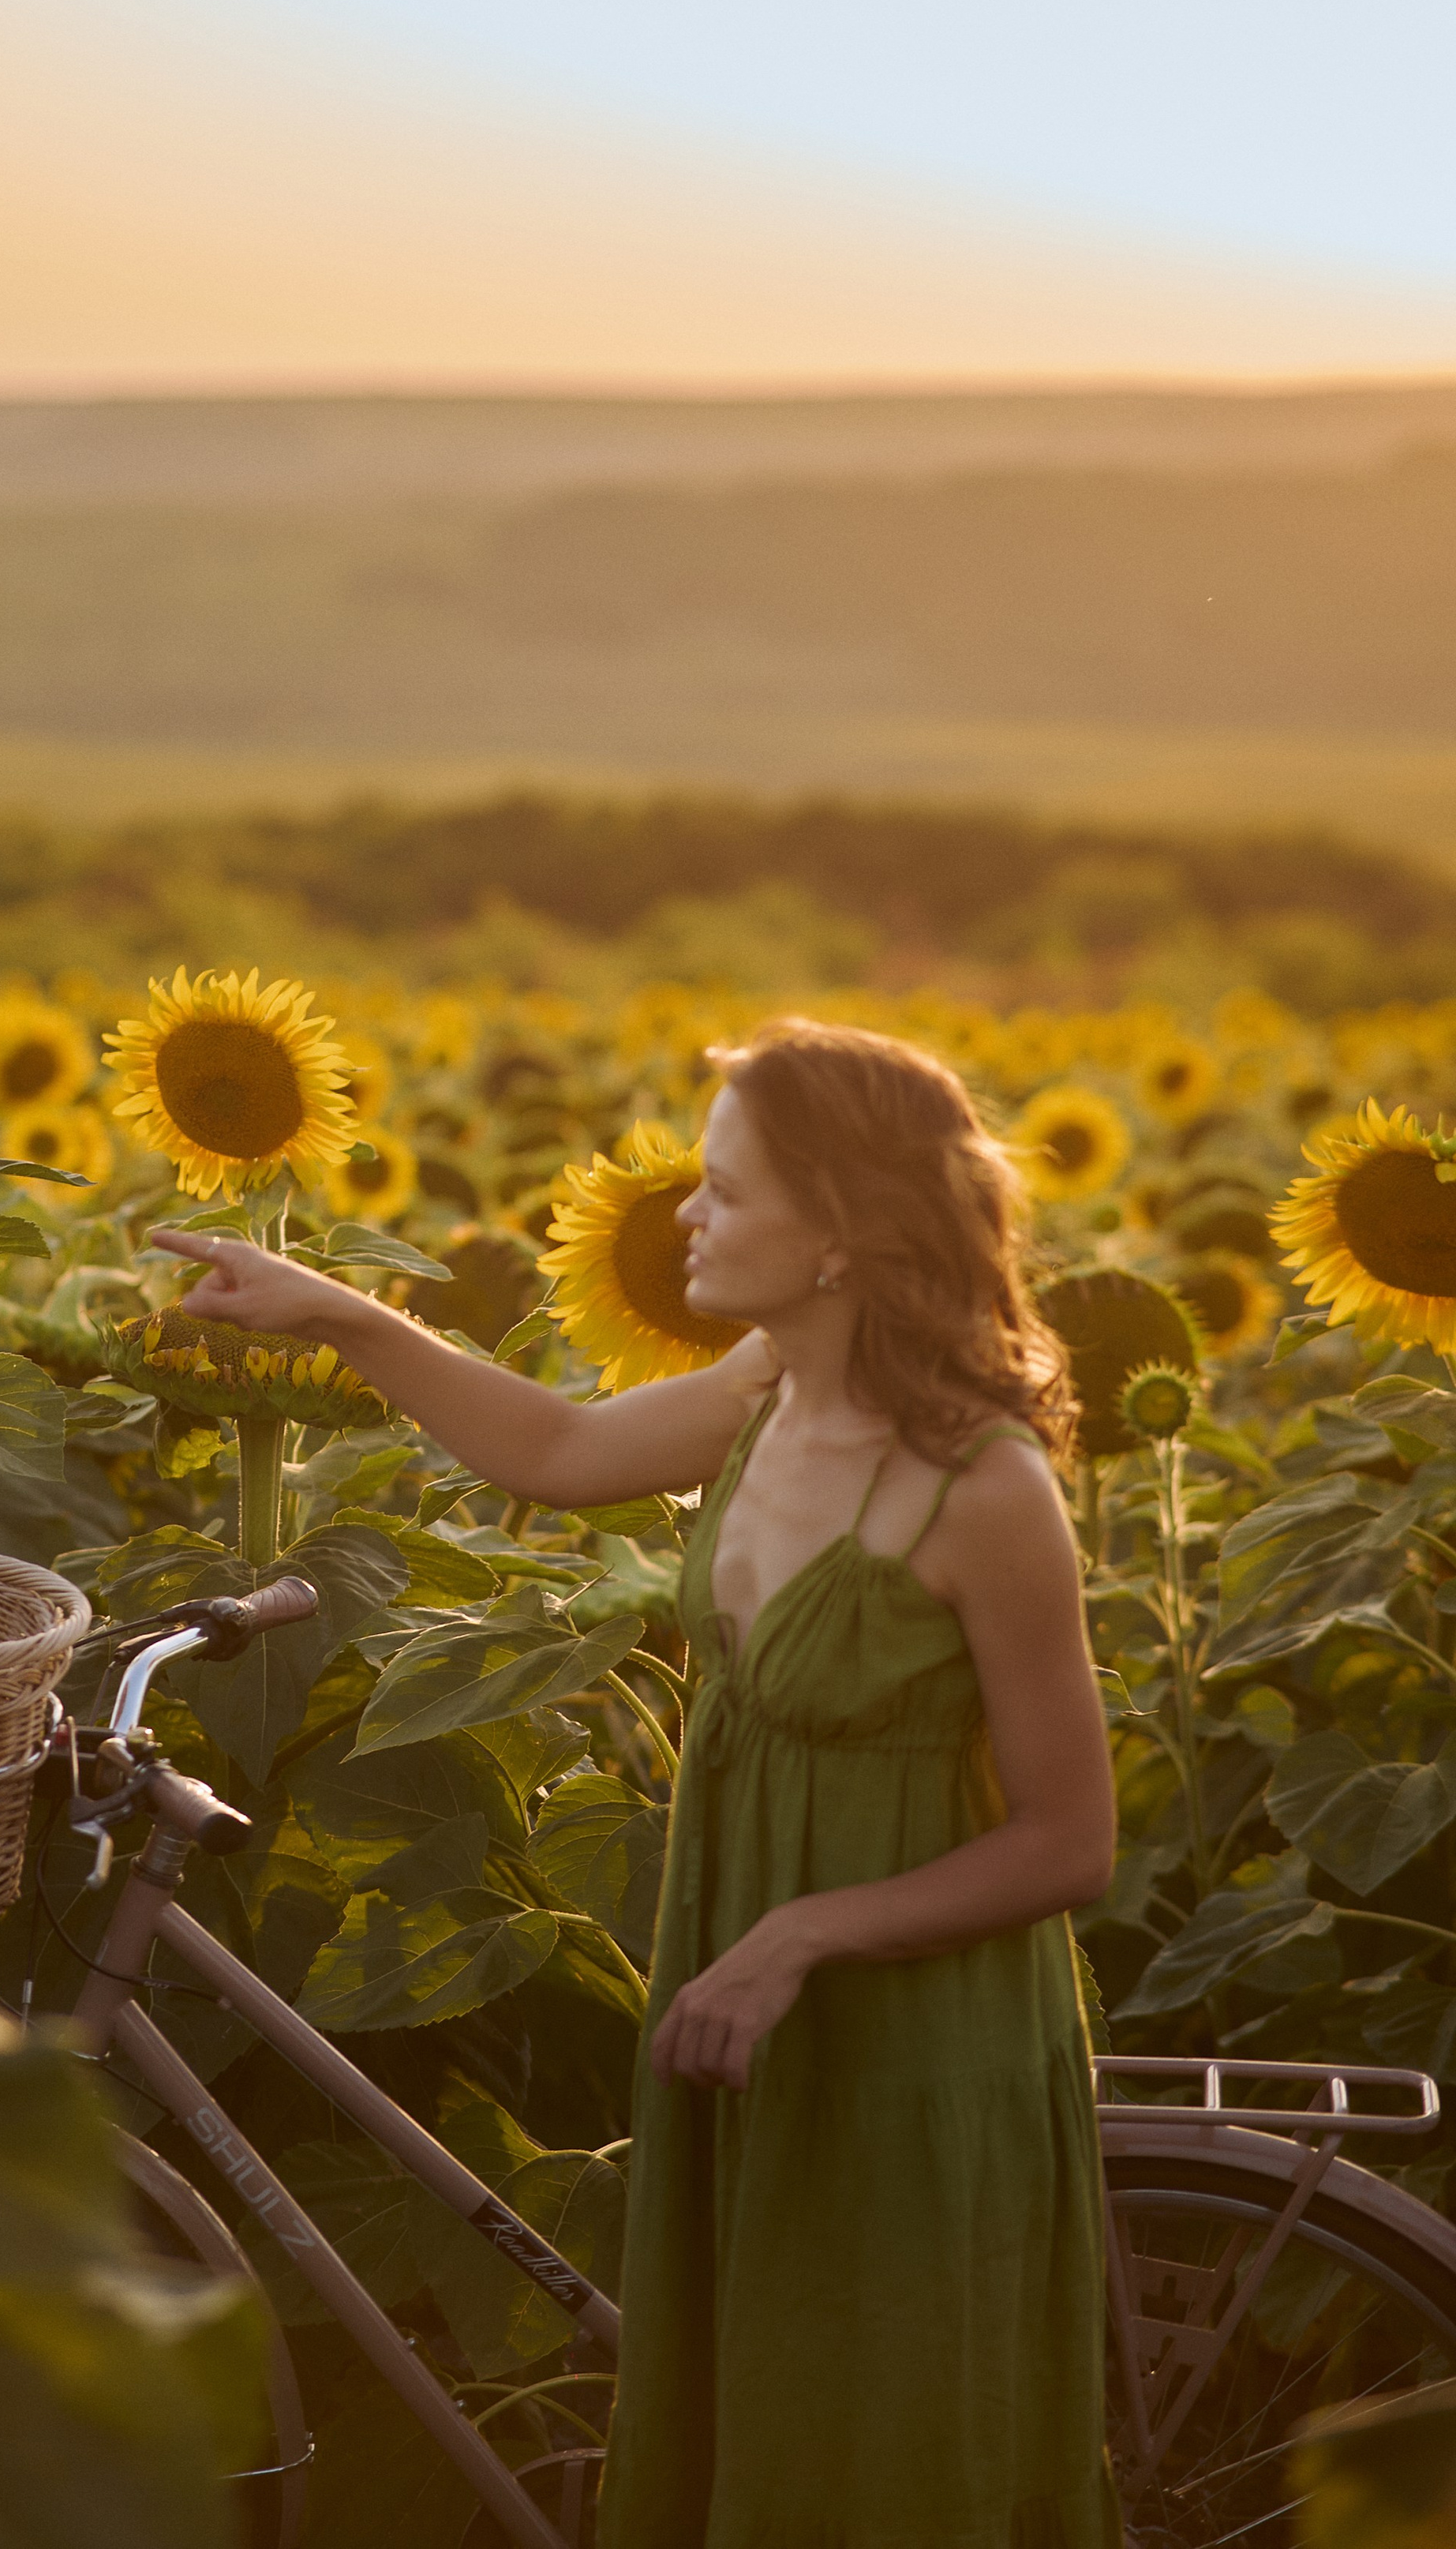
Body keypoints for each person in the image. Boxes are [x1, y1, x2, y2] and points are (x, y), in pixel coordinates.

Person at [152, 1014, 1120, 2549]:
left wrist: (805, 1931)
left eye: (726, 1191)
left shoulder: (981, 1488)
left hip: (903, 2036)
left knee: (869, 2454)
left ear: (842, 1235)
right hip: (734, 1993)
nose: (684, 1215)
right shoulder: (761, 1391)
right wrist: (336, 1313)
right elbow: (554, 1442)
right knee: (742, 2418)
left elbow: (1070, 1839)